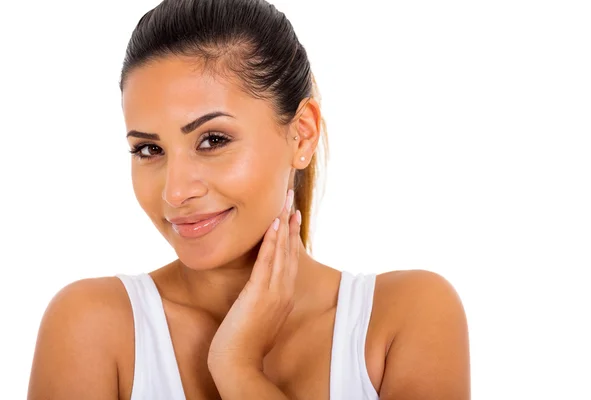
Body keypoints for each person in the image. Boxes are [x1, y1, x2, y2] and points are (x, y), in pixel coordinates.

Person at [27, 0, 470, 399]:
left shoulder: (406, 316)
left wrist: (237, 368)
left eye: (212, 140)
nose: (175, 191)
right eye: (149, 149)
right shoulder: (91, 326)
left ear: (302, 134)